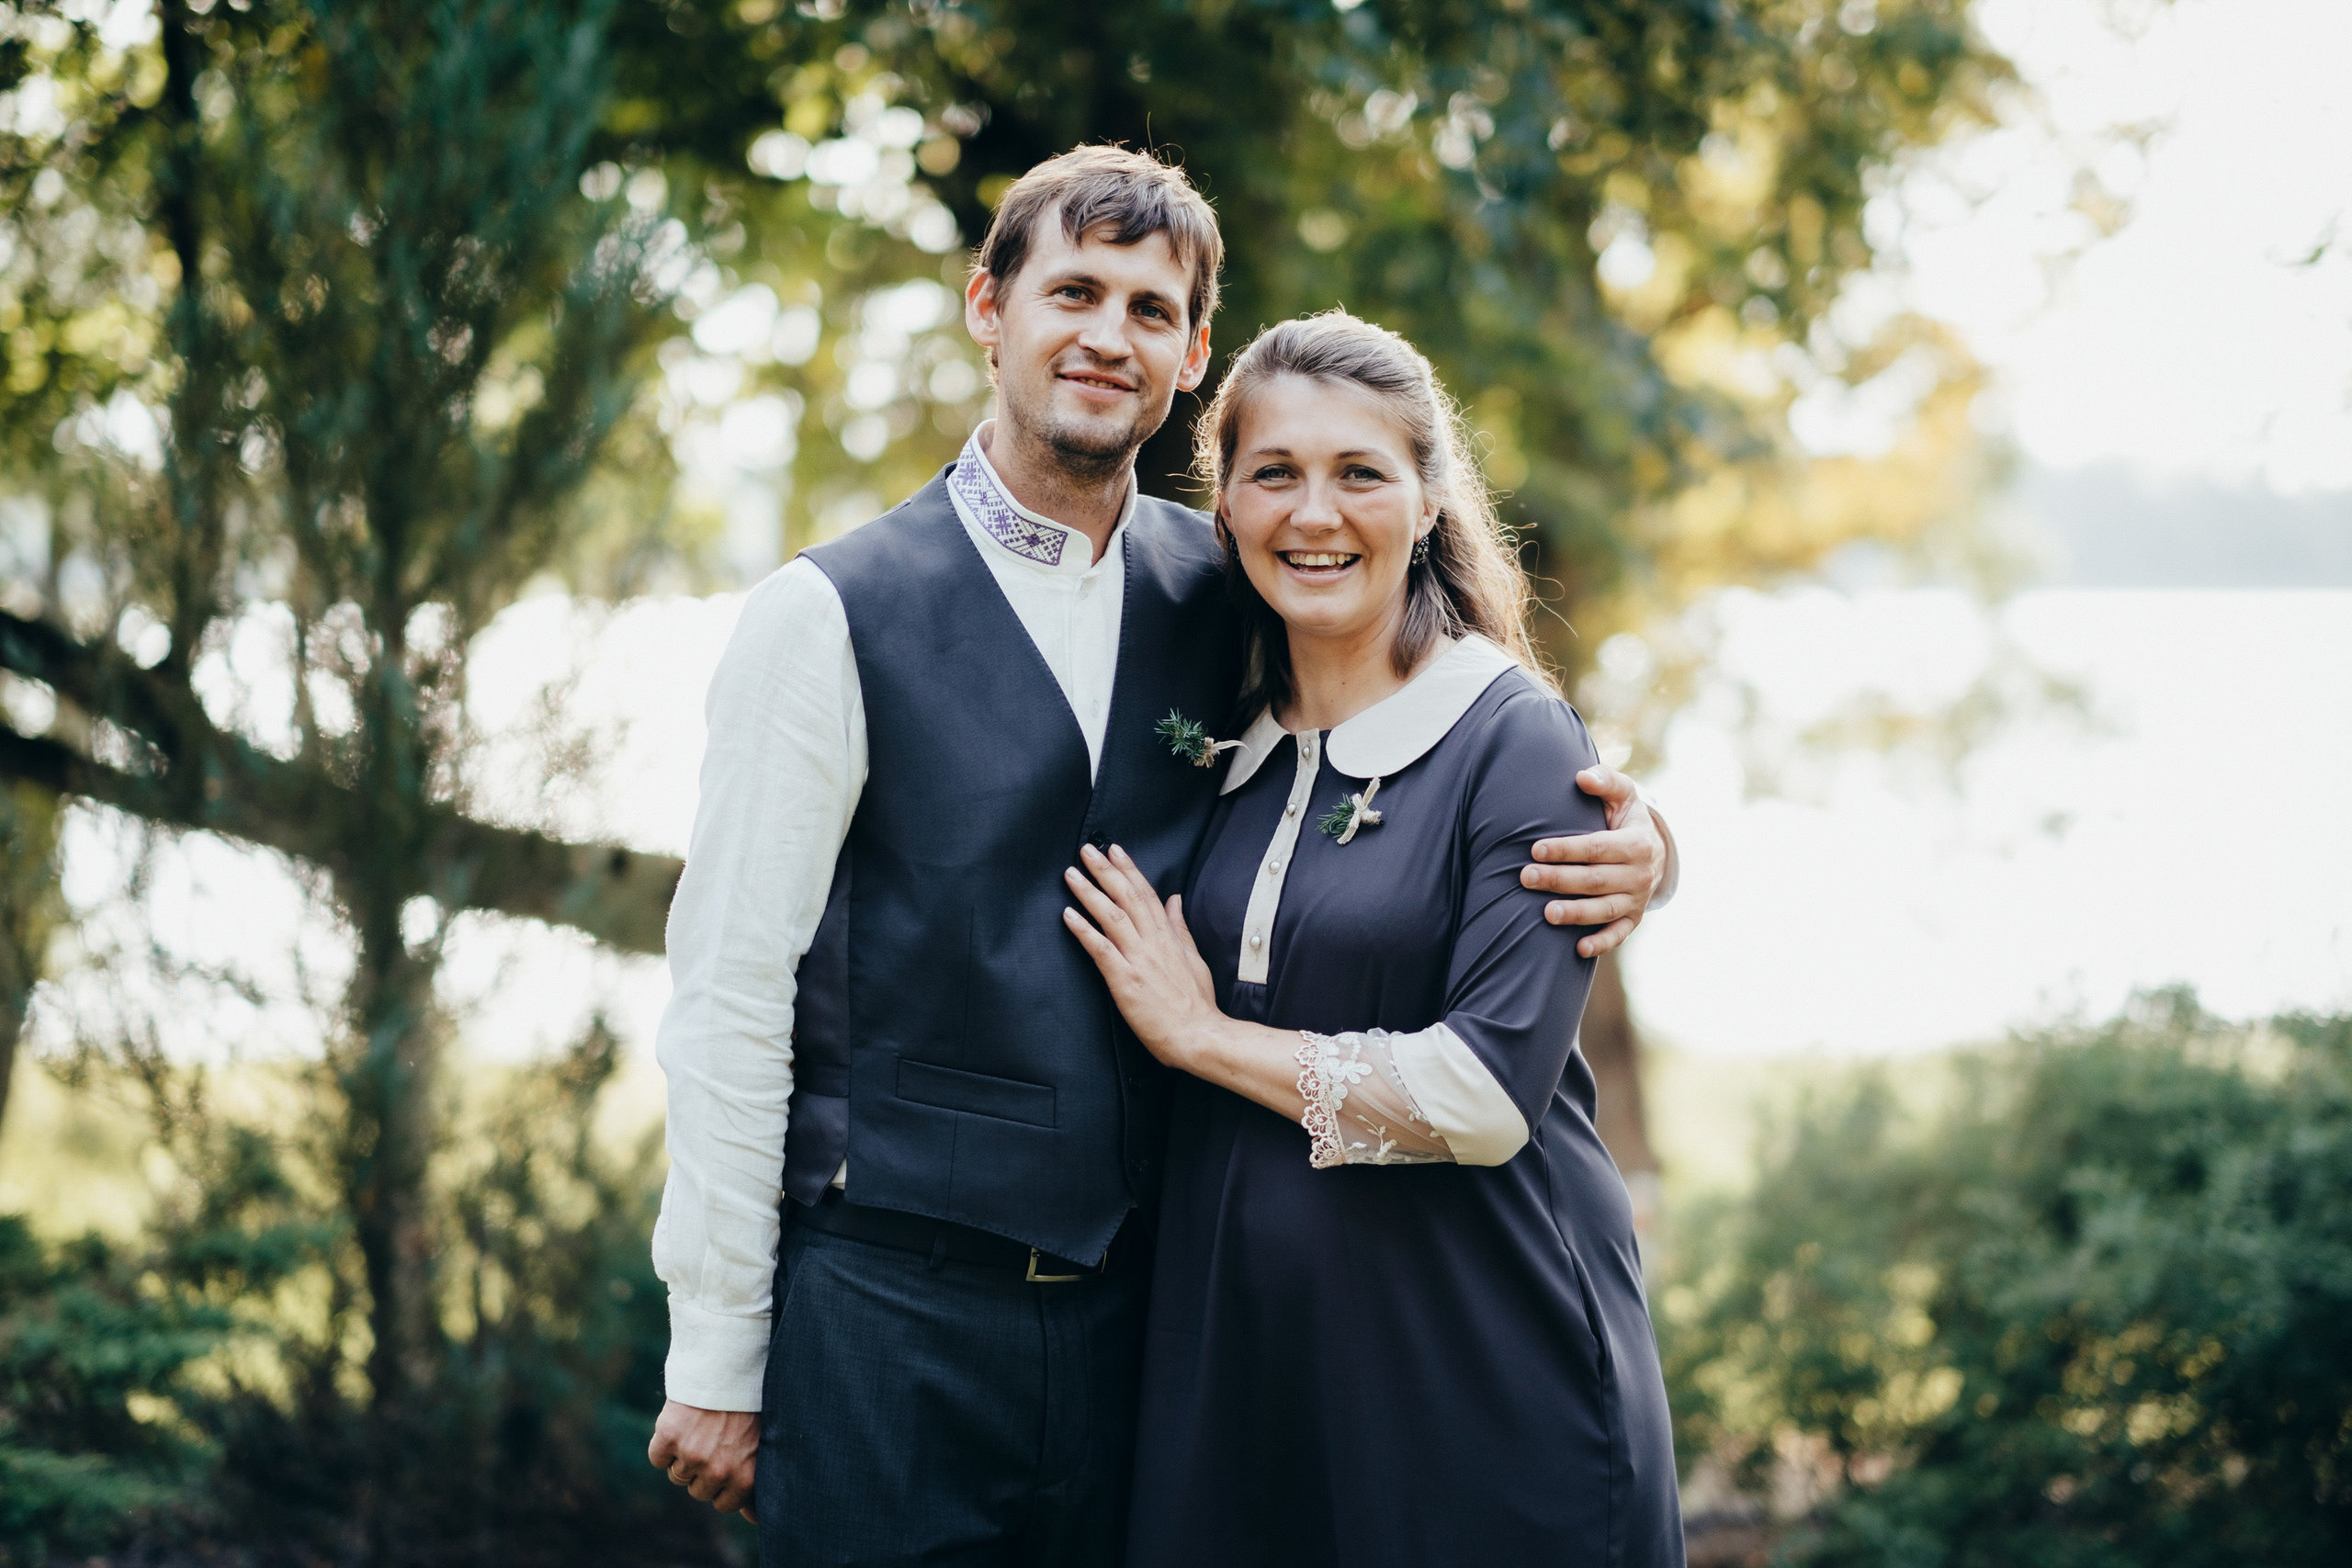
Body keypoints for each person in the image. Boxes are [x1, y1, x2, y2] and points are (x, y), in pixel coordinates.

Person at [644, 146, 1679, 1567]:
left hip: (1147, 1322)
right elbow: (729, 993)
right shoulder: (823, 617)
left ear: (1191, 355)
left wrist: (1639, 843)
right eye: (1073, 289)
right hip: (891, 1310)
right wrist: (717, 1344)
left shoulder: (1232, 581)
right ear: (987, 306)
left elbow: (1426, 729)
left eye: (1148, 308)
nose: (1104, 335)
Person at [1063, 310, 1684, 1566]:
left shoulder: (1509, 736)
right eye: (1275, 473)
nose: (1316, 514)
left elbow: (1481, 1095)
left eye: (1361, 474)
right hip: (1249, 1373)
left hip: (1476, 1361)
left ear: (1427, 499)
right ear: (1223, 503)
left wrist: (1202, 1036)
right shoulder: (1212, 731)